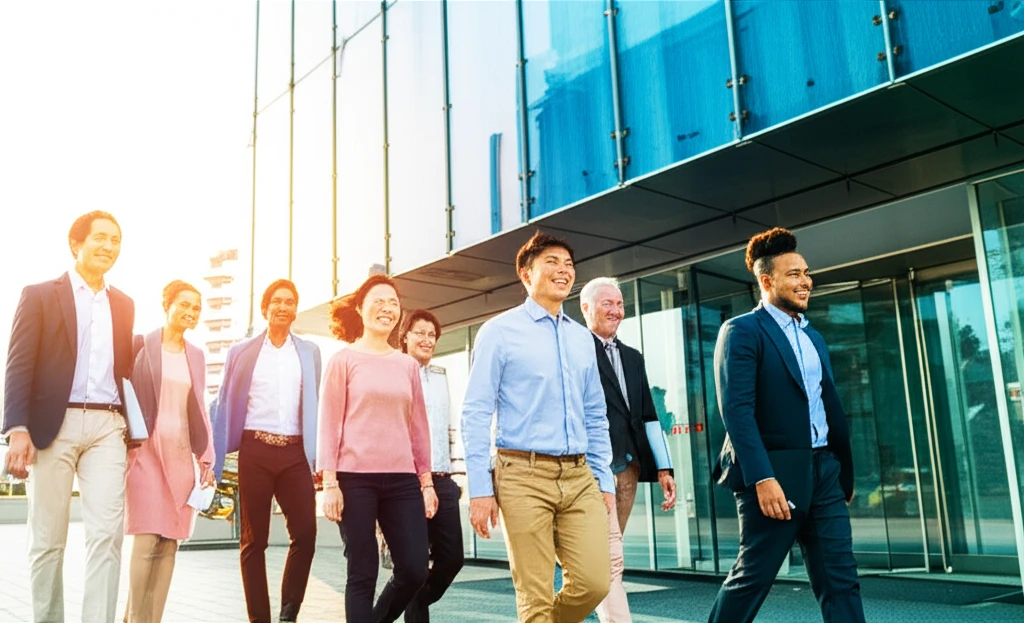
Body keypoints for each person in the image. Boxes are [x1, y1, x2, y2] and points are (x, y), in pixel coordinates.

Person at [707, 227, 864, 623]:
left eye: (806, 273)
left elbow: (826, 405)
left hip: (824, 472)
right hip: (773, 475)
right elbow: (737, 412)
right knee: (753, 579)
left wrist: (840, 471)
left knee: (841, 580)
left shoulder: (814, 338)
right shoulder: (742, 331)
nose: (805, 281)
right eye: (794, 274)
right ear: (766, 281)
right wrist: (762, 478)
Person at [462, 231, 614, 623]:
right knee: (535, 595)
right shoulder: (499, 331)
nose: (563, 270)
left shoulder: (582, 338)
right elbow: (476, 411)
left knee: (595, 583)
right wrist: (480, 488)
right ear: (526, 274)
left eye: (568, 264)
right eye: (552, 262)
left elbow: (595, 414)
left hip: (579, 475)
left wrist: (604, 478)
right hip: (521, 474)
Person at [3, 211, 135, 623]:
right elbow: (19, 364)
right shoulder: (40, 295)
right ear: (76, 244)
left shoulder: (124, 304)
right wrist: (17, 428)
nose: (109, 246)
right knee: (47, 540)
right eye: (100, 237)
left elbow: (126, 371)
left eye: (115, 240)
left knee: (107, 536)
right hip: (51, 427)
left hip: (107, 427)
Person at [318, 275, 437, 623]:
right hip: (354, 479)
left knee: (414, 568)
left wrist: (426, 482)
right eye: (379, 301)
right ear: (360, 308)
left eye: (393, 303)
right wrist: (329, 483)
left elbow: (418, 427)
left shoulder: (407, 365)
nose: (387, 308)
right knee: (363, 571)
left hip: (402, 480)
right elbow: (329, 424)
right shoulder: (343, 360)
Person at [212, 279, 322, 623]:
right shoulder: (242, 352)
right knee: (253, 541)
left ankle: (289, 613)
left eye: (290, 301)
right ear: (265, 308)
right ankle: (259, 619)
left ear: (296, 309)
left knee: (306, 534)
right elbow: (224, 401)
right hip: (255, 451)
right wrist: (213, 456)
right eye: (277, 301)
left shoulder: (310, 352)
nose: (283, 307)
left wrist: (318, 456)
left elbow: (315, 403)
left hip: (295, 454)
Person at [579, 277, 677, 623]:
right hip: (590, 470)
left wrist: (664, 468)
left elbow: (649, 413)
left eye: (620, 304)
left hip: (628, 470)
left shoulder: (633, 358)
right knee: (608, 558)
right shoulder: (576, 351)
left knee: (607, 552)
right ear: (586, 308)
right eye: (607, 303)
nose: (616, 311)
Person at [124, 280, 215, 622]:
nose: (191, 312)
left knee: (169, 545)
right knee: (147, 538)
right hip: (144, 453)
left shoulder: (197, 355)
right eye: (184, 304)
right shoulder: (139, 345)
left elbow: (200, 407)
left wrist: (206, 458)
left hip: (180, 456)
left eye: (196, 308)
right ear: (167, 305)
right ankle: (136, 617)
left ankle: (151, 619)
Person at [395, 309, 464, 622]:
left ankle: (410, 600)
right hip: (408, 481)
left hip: (443, 478)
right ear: (405, 337)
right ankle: (411, 605)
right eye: (419, 333)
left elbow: (451, 426)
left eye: (432, 335)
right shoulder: (395, 374)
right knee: (415, 565)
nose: (427, 339)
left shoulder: (441, 375)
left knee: (452, 559)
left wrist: (457, 476)